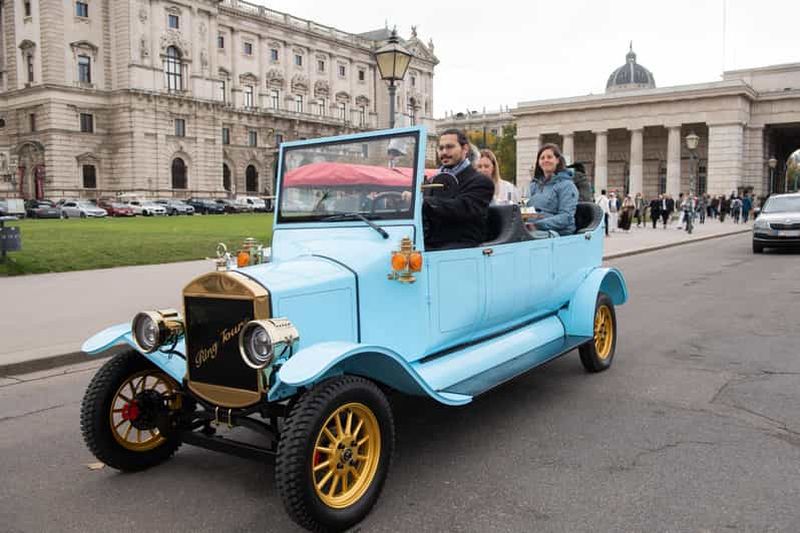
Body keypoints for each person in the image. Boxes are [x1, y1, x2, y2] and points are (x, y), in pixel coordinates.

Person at [421, 129, 494, 249]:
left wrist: (424, 202)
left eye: (449, 147)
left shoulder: (481, 181)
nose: (444, 152)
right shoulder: (432, 181)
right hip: (430, 243)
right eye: (441, 148)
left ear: (465, 149)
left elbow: (463, 207)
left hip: (461, 246)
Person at [527, 143, 578, 235]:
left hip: (558, 232)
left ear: (557, 160)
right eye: (542, 158)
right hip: (533, 228)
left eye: (549, 157)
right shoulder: (533, 185)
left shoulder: (567, 185)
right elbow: (527, 209)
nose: (545, 160)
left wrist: (537, 225)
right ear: (538, 162)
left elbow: (566, 217)